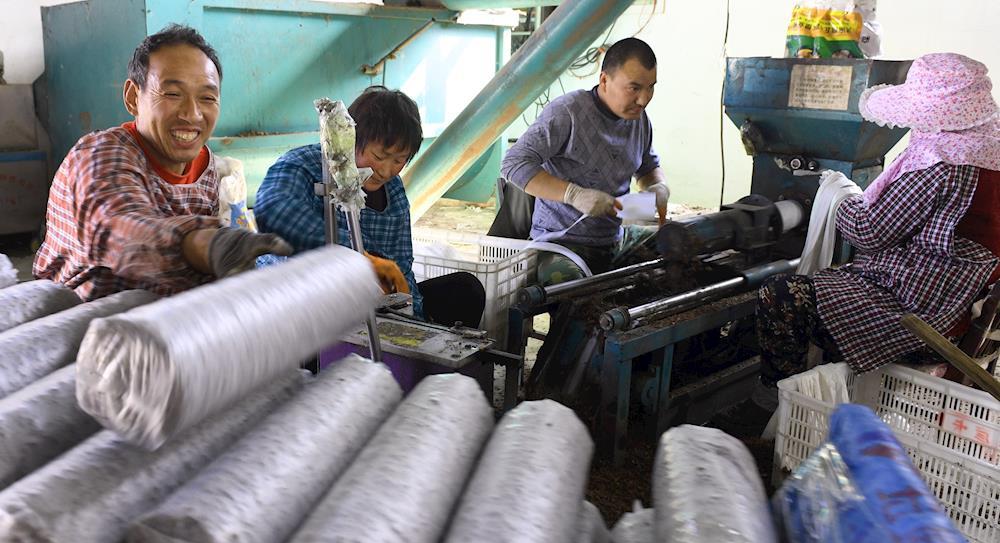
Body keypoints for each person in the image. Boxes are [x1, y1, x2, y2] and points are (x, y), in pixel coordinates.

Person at [745, 53, 1000, 433]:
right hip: (972, 306)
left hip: (925, 313)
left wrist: (838, 197)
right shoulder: (991, 148)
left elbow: (867, 231)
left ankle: (779, 409)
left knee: (780, 296)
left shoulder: (942, 165)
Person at [34, 24, 289, 301]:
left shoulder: (206, 166)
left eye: (207, 98)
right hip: (83, 314)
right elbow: (120, 231)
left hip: (164, 312)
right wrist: (210, 245)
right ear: (133, 97)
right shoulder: (99, 156)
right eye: (172, 94)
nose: (192, 114)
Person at [254, 86, 485, 328]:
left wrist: (413, 319)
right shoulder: (303, 165)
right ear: (352, 138)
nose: (385, 171)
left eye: (399, 160)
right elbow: (273, 210)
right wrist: (358, 257)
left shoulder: (393, 190)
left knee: (465, 290)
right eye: (379, 156)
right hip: (293, 306)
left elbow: (401, 267)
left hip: (365, 305)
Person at [500, 37, 670, 285]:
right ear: (604, 80)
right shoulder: (567, 113)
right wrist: (573, 194)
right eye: (634, 88)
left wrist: (658, 186)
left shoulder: (640, 120)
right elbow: (513, 163)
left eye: (650, 87)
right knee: (571, 288)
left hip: (615, 238)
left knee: (680, 245)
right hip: (560, 244)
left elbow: (648, 167)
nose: (643, 99)